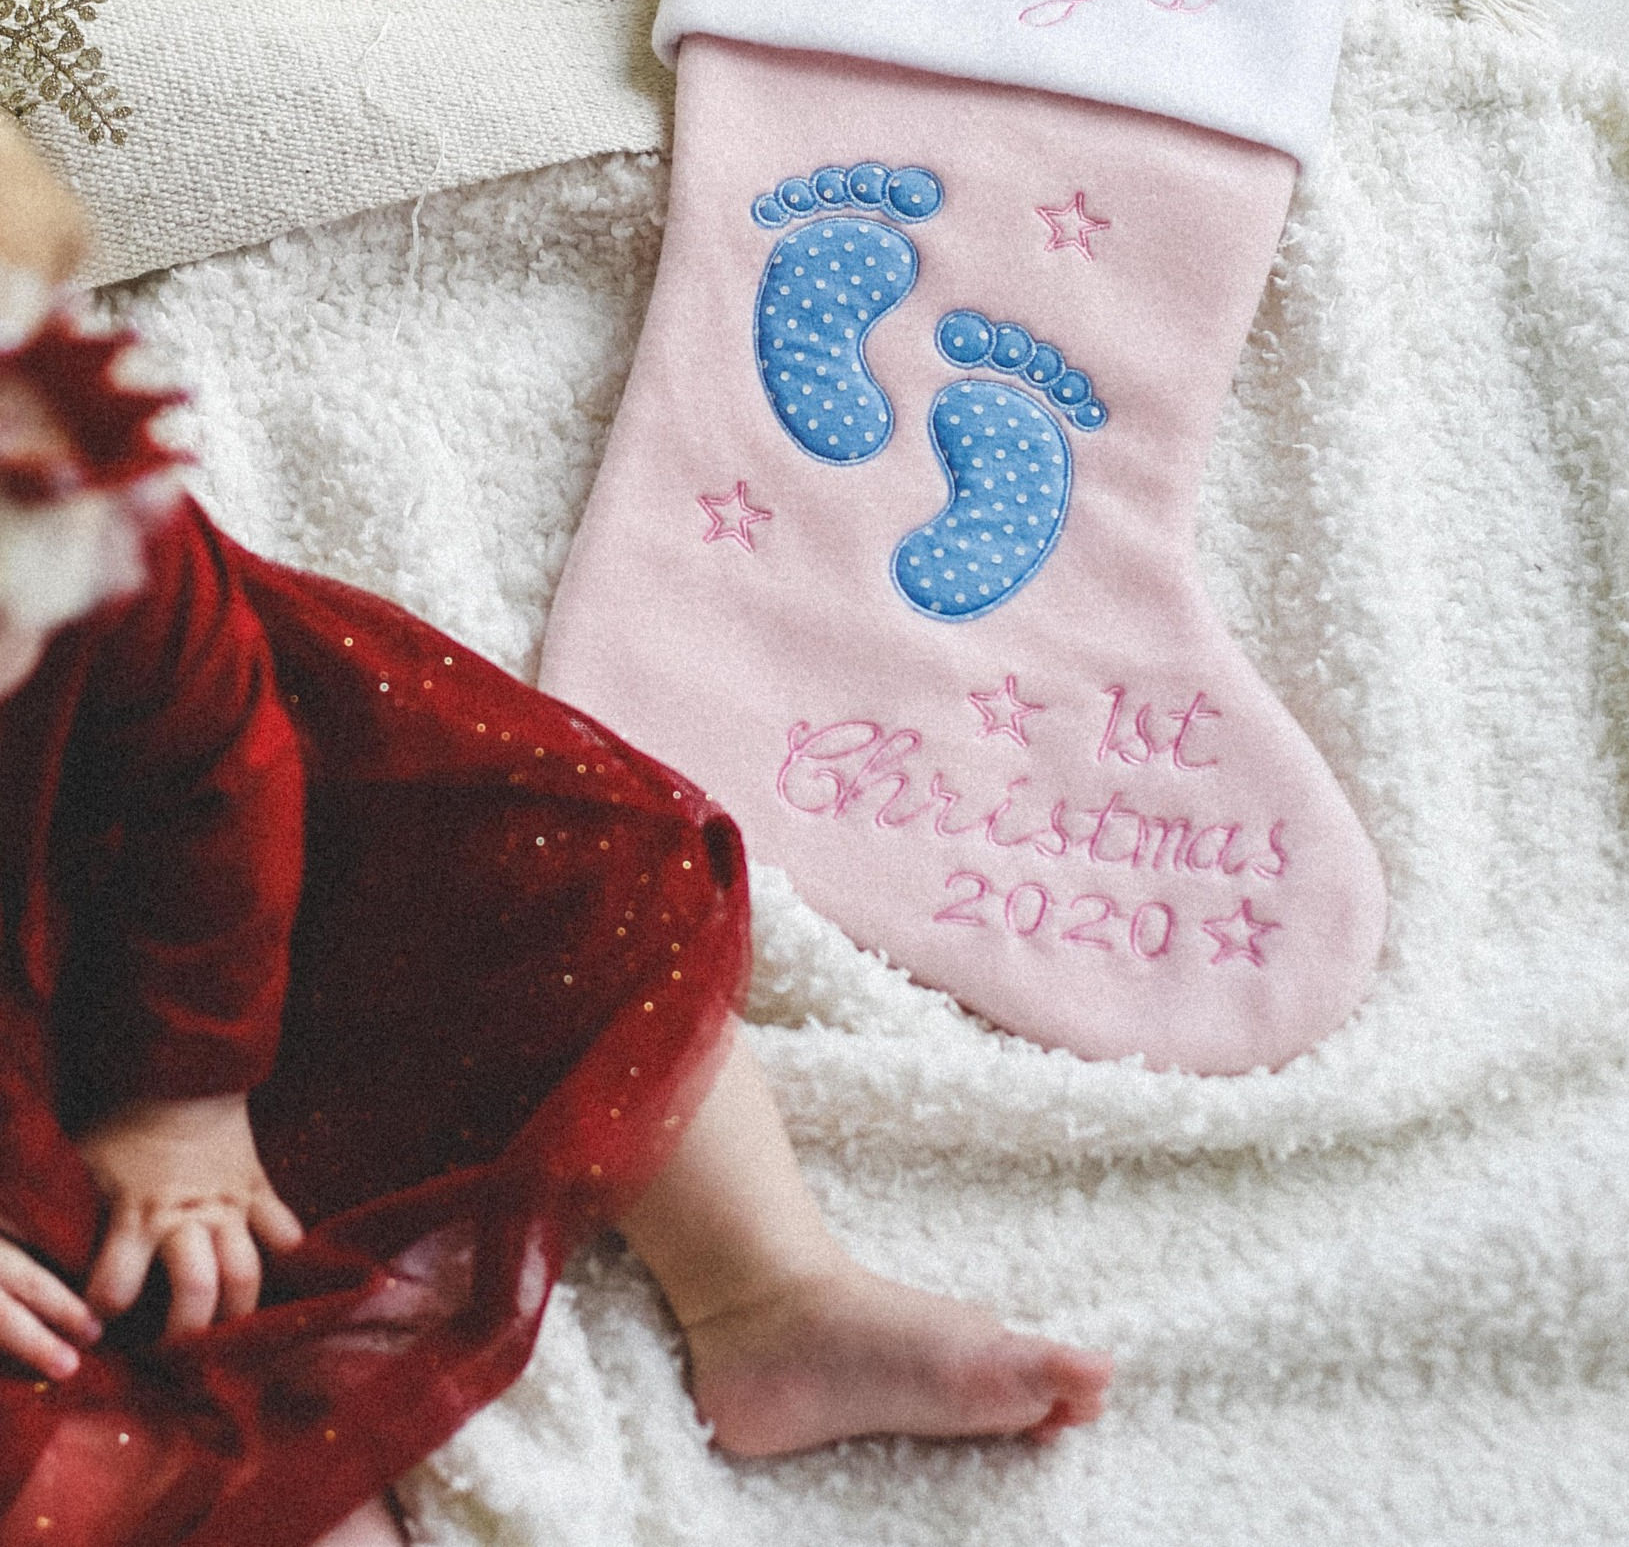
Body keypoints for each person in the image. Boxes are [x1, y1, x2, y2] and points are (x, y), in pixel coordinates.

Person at [0, 118, 1111, 1547]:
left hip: (153, 890)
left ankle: (768, 1295)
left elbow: (210, 769)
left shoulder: (85, 515)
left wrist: (186, 1091)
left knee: (538, 870)